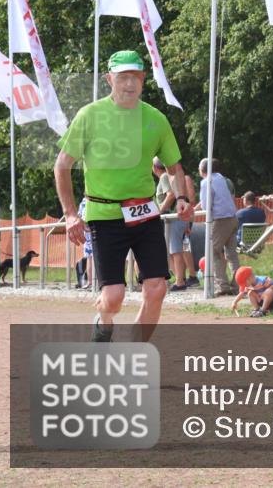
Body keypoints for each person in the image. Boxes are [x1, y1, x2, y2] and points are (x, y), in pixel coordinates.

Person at [54, 50, 193, 342]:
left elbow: (174, 166)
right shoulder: (89, 116)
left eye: (137, 77)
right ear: (109, 79)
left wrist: (181, 198)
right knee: (114, 297)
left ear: (143, 80)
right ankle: (103, 321)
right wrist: (70, 214)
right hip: (105, 217)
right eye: (123, 77)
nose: (130, 84)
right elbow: (62, 165)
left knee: (156, 288)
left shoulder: (155, 118)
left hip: (145, 213)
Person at [197, 157, 241, 296]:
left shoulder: (206, 182)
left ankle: (222, 286)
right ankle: (238, 285)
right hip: (233, 218)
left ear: (202, 169)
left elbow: (205, 205)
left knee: (212, 251)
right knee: (232, 254)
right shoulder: (222, 179)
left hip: (220, 220)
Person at [153, 157, 191, 292]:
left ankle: (180, 281)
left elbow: (170, 195)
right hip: (175, 218)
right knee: (172, 250)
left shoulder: (164, 177)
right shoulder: (169, 177)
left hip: (173, 219)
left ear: (155, 168)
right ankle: (179, 278)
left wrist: (159, 211)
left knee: (175, 250)